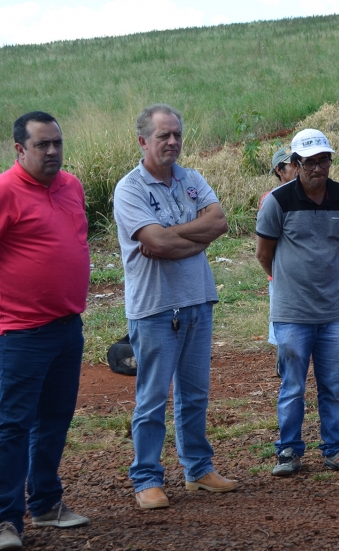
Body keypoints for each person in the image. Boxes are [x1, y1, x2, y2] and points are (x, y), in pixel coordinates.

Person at [0, 111, 91, 551]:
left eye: (57, 143)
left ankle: (47, 504)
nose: (52, 151)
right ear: (20, 149)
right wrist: (7, 292)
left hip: (67, 327)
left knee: (54, 420)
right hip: (21, 333)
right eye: (41, 145)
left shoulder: (71, 186)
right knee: (14, 425)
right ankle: (6, 521)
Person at [114, 103, 236, 510]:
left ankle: (198, 469)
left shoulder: (192, 178)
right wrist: (191, 239)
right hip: (154, 309)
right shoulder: (130, 188)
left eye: (177, 134)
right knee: (152, 399)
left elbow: (218, 223)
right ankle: (147, 478)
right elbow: (155, 242)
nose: (172, 141)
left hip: (197, 300)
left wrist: (172, 238)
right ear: (142, 141)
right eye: (163, 135)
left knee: (195, 394)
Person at [255, 128, 339, 476]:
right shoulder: (278, 201)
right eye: (309, 162)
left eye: (324, 160)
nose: (318, 168)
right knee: (292, 387)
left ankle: (336, 449)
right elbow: (264, 254)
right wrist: (290, 283)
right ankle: (288, 451)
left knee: (333, 387)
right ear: (295, 163)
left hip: (333, 311)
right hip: (291, 312)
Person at [261, 146, 299, 371]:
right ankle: (283, 362)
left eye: (297, 162)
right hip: (281, 272)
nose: (297, 167)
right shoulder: (272, 199)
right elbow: (265, 247)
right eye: (291, 164)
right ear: (279, 170)